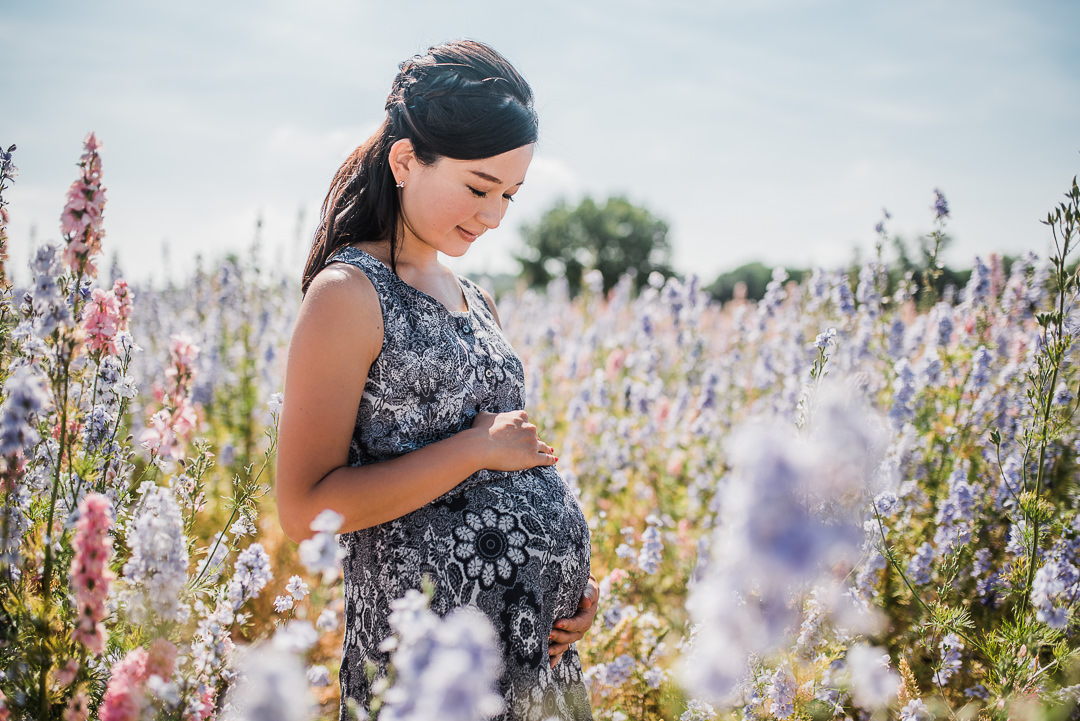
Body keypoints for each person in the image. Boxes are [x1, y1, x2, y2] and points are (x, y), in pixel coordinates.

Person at [274, 40, 597, 721]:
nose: (494, 215)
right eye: (479, 187)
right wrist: (474, 449)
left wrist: (562, 595)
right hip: (424, 678)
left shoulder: (474, 294)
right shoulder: (348, 293)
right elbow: (305, 508)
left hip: (535, 664)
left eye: (510, 193)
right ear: (404, 161)